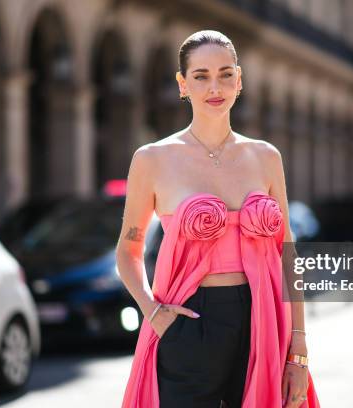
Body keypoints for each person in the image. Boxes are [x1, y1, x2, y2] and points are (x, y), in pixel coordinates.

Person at [117, 30, 320, 408]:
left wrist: (299, 346)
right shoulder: (152, 159)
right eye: (201, 76)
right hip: (186, 319)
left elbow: (287, 254)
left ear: (239, 80)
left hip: (263, 319)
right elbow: (128, 250)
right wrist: (154, 313)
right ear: (183, 84)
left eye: (226, 74)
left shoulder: (266, 157)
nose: (215, 86)